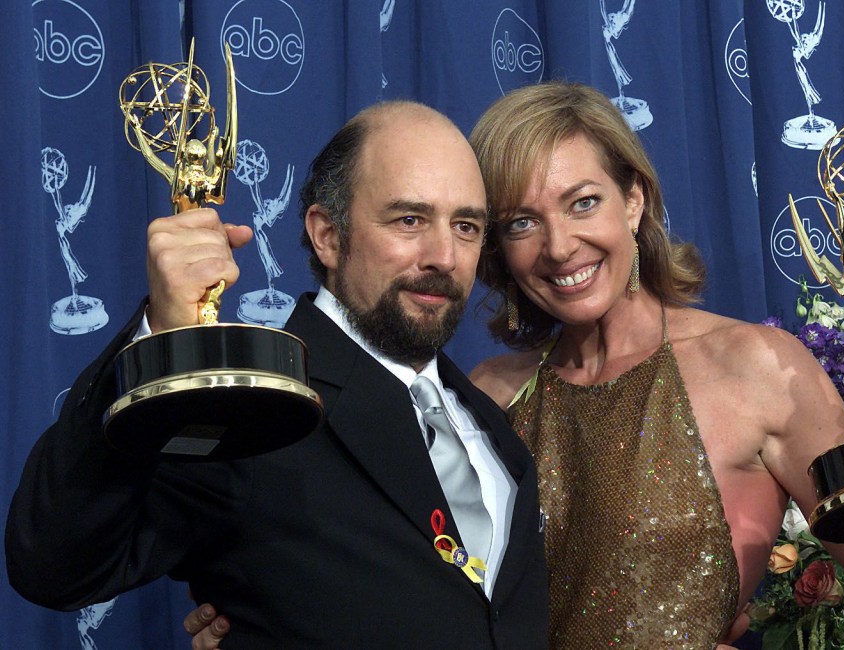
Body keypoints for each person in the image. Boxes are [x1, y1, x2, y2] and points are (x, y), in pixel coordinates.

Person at [187, 82, 844, 649]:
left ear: (634, 201)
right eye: (522, 220)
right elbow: (374, 577)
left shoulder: (759, 369)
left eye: (584, 202)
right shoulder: (477, 401)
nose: (559, 247)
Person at [6, 101, 549, 648]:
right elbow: (54, 563)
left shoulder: (493, 428)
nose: (444, 255)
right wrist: (158, 337)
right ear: (327, 235)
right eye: (409, 219)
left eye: (466, 226)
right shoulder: (251, 403)